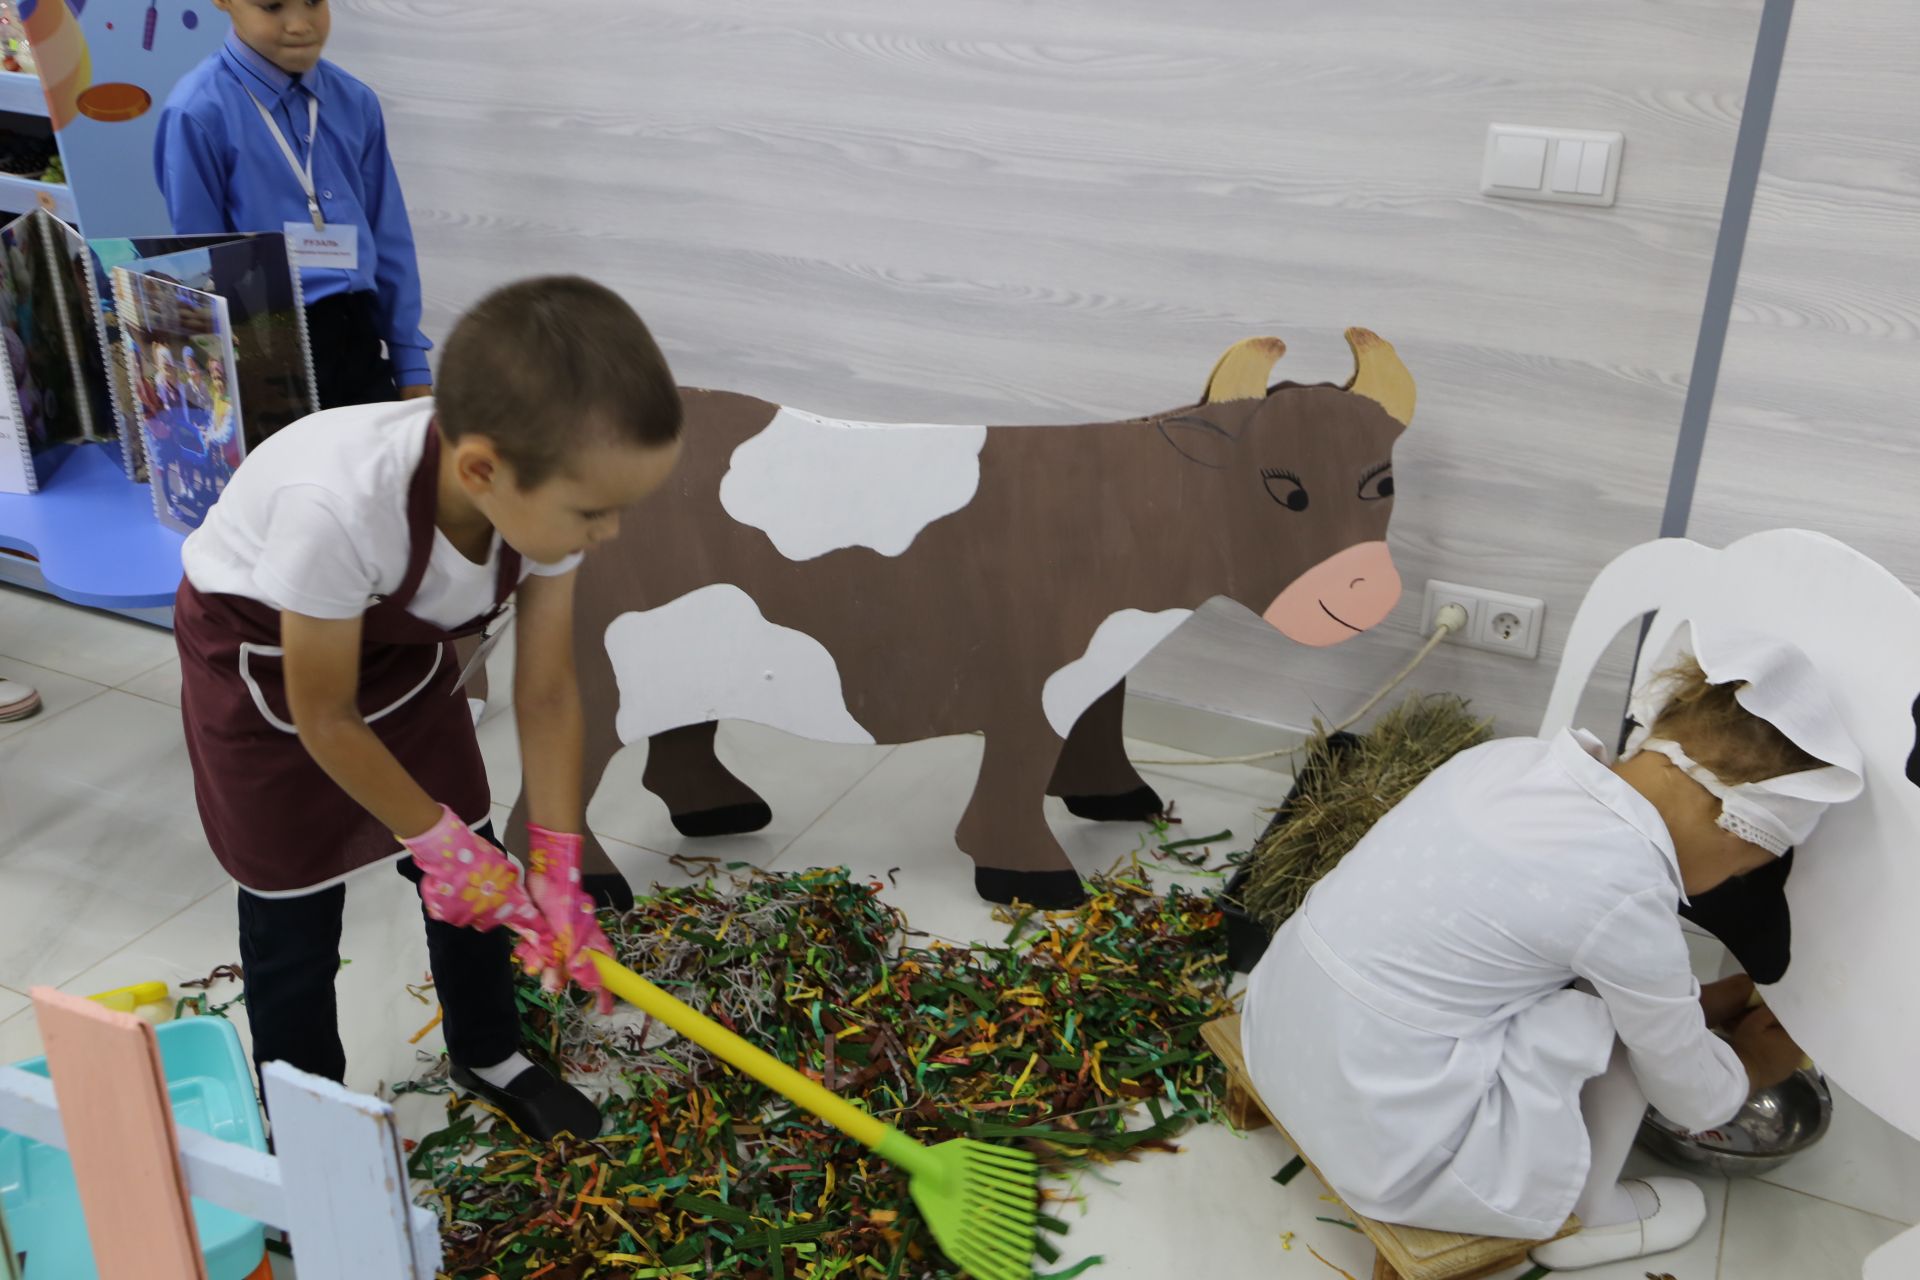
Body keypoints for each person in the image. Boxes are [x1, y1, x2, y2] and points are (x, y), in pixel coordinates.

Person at [171, 276, 682, 1139]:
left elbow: (548, 689)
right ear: (483, 470)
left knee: (477, 864)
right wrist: (431, 840)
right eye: (595, 513)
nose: (610, 533)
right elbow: (325, 715)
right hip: (265, 669)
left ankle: (489, 1052)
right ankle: (309, 1116)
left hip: (394, 656)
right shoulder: (338, 507)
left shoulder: (536, 502)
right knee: (290, 908)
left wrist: (555, 859)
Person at [1240, 623, 1863, 1271]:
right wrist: (1761, 1059)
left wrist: (1705, 1003)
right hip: (1389, 1148)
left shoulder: (1510, 759)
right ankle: (1591, 1217)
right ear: (1735, 828)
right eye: (1747, 866)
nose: (1736, 880)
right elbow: (1692, 1099)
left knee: (1605, 989)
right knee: (1611, 1019)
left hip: (1280, 1030)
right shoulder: (1626, 892)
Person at [154, 0, 431, 410]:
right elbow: (200, 257)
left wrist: (410, 363)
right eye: (271, 6)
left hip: (357, 336)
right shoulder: (196, 113)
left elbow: (389, 240)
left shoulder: (356, 102)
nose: (300, 25)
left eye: (314, 2)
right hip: (266, 345)